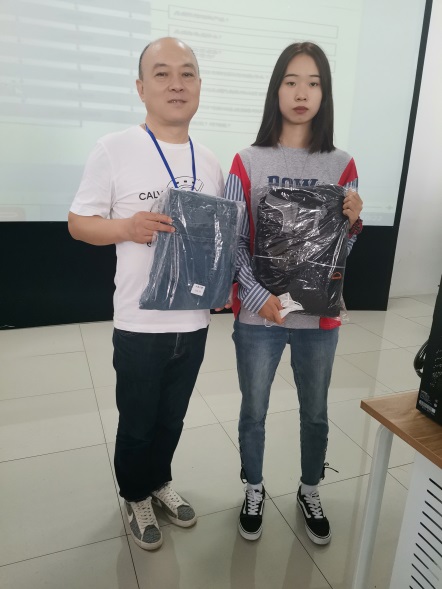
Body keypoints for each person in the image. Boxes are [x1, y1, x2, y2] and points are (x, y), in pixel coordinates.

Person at [68, 37, 224, 551]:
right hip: (139, 323)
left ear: (199, 84)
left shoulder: (211, 160)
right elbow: (78, 223)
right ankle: (135, 494)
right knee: (137, 421)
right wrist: (127, 228)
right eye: (162, 74)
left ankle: (158, 481)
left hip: (194, 321)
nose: (176, 84)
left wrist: (220, 282)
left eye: (187, 73)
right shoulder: (114, 148)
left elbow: (216, 238)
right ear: (141, 87)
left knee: (172, 417)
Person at [223, 42, 363, 544]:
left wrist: (354, 223)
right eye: (291, 81)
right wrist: (257, 296)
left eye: (313, 83)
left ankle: (310, 488)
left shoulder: (342, 164)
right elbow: (233, 241)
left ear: (324, 94)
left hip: (317, 318)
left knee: (316, 412)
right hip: (259, 317)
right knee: (254, 411)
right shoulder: (247, 160)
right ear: (276, 89)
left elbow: (339, 251)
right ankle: (254, 487)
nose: (302, 93)